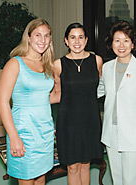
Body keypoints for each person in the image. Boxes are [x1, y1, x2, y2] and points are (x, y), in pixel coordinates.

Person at [0, 18, 55, 185]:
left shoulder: (47, 64)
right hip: (24, 132)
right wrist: (14, 137)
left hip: (45, 132)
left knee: (41, 179)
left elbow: (45, 97)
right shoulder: (15, 63)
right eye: (37, 35)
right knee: (27, 180)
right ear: (28, 37)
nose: (42, 40)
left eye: (46, 36)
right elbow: (2, 102)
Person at [97, 20, 136, 185]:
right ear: (111, 43)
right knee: (117, 179)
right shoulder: (107, 68)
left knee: (132, 181)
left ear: (133, 44)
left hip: (133, 136)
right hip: (111, 133)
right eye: (117, 40)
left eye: (126, 40)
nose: (121, 45)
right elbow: (98, 91)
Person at [50, 22, 103, 185]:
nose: (77, 41)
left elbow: (99, 89)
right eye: (72, 37)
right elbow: (57, 94)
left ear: (86, 40)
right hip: (68, 122)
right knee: (72, 167)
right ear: (66, 41)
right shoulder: (57, 64)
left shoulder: (97, 60)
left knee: (86, 164)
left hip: (90, 120)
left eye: (81, 37)